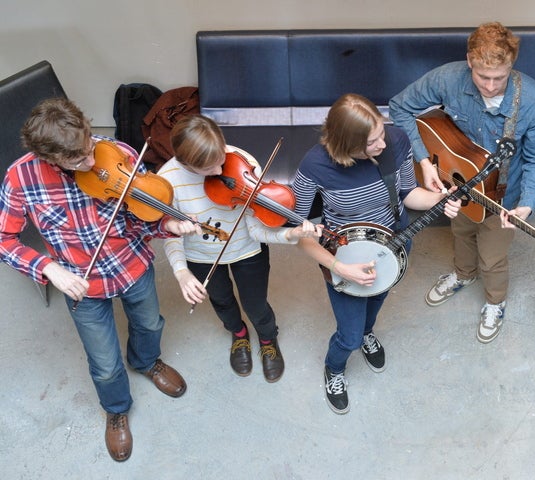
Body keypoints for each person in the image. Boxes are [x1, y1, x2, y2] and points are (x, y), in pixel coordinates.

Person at [0, 98, 202, 461]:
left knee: (150, 323)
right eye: (77, 159)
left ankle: (146, 361)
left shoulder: (116, 152)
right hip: (80, 281)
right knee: (105, 366)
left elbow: (142, 213)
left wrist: (167, 223)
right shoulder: (20, 178)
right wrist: (49, 269)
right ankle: (116, 408)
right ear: (49, 158)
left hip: (131, 264)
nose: (92, 161)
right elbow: (4, 239)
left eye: (89, 144)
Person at [292, 93, 461, 414]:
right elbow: (299, 234)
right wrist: (339, 268)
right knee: (349, 335)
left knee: (374, 306)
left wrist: (440, 200)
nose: (383, 143)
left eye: (381, 132)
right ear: (346, 144)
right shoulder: (314, 165)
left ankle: (368, 332)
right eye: (372, 142)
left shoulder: (395, 141)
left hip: (394, 244)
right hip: (342, 258)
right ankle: (335, 367)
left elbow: (409, 194)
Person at [389, 21, 535, 343]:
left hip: (504, 193)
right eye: (483, 77)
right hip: (459, 180)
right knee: (462, 232)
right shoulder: (447, 78)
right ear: (469, 61)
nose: (491, 86)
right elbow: (400, 107)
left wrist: (526, 205)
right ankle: (463, 274)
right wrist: (425, 160)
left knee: (492, 257)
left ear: (512, 66)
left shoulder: (534, 102)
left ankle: (495, 301)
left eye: (500, 78)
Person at [158, 115, 319, 382]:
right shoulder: (167, 181)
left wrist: (290, 233)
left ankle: (268, 338)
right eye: (209, 168)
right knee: (221, 299)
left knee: (256, 304)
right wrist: (181, 272)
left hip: (247, 250)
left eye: (221, 157)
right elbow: (168, 230)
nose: (222, 171)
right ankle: (239, 334)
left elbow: (256, 227)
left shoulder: (240, 161)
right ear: (186, 164)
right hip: (200, 256)